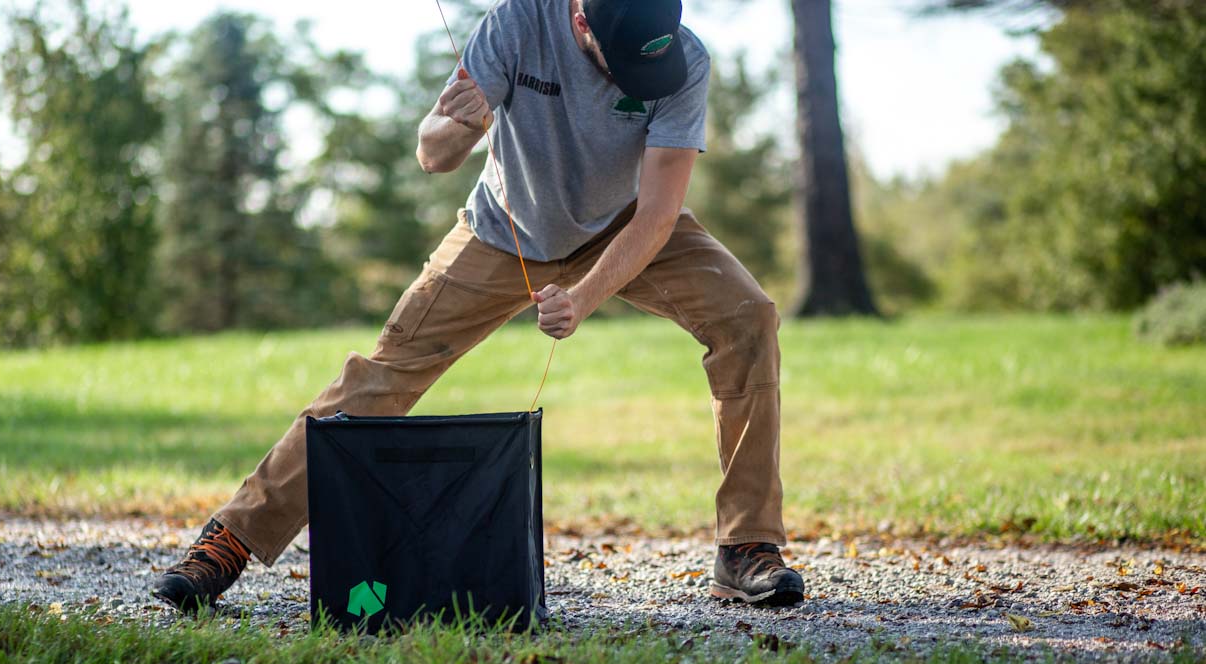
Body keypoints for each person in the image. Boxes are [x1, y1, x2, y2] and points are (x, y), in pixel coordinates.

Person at [152, 0, 805, 614]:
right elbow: (432, 153)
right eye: (623, 58)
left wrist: (581, 298)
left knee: (747, 316)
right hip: (503, 230)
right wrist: (458, 127)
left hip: (625, 225)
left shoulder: (683, 59)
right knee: (381, 375)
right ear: (580, 19)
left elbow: (660, 213)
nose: (640, 75)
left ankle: (746, 544)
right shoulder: (517, 23)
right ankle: (231, 539)